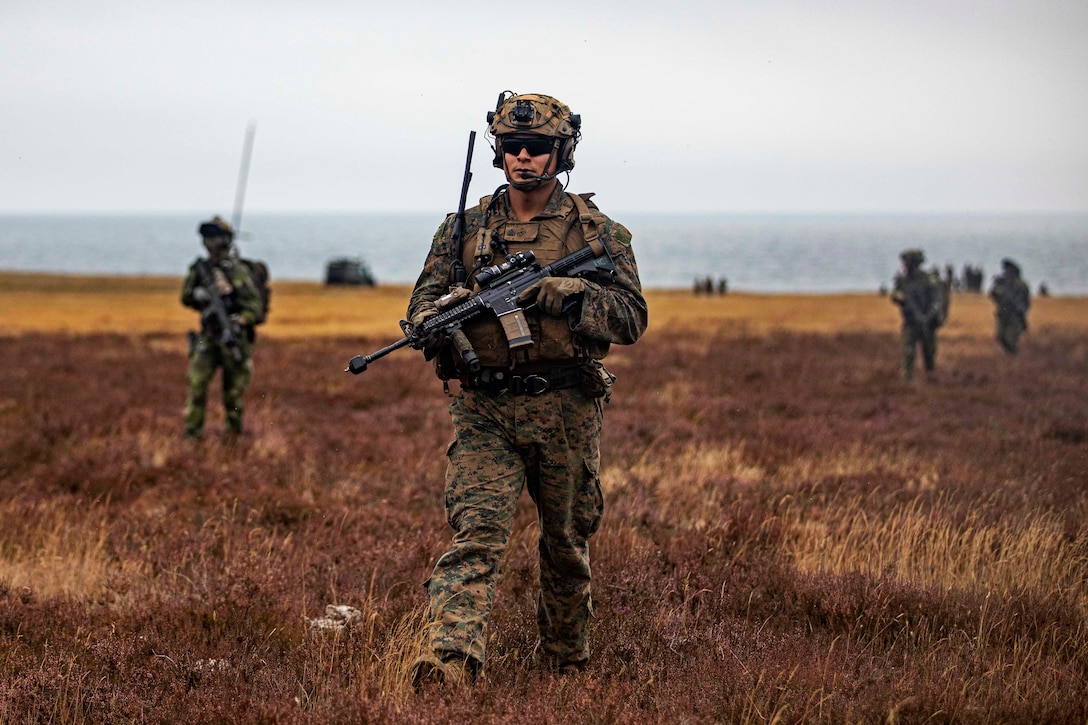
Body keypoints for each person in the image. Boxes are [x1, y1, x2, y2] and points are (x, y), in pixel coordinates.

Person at [405, 92, 647, 688]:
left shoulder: (599, 232)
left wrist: (577, 296)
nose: (523, 158)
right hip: (485, 406)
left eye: (537, 147)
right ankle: (450, 663)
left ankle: (565, 667)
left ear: (560, 153)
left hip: (565, 407)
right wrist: (445, 313)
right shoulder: (463, 228)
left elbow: (632, 318)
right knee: (477, 534)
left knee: (566, 544)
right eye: (513, 147)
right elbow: (417, 311)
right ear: (499, 153)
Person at [180, 216, 263, 439]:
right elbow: (186, 297)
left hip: (233, 339)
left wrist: (240, 319)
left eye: (215, 236)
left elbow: (255, 307)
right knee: (197, 385)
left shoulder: (238, 272)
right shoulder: (201, 269)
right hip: (208, 337)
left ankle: (233, 437)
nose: (210, 242)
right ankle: (192, 435)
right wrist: (200, 295)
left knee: (233, 394)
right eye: (208, 237)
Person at [890, 248, 943, 381]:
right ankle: (907, 380)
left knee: (929, 353)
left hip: (927, 323)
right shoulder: (903, 280)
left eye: (906, 263)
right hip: (910, 322)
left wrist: (929, 316)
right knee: (908, 351)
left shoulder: (928, 279)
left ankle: (931, 378)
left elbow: (937, 300)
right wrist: (899, 298)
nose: (903, 266)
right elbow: (895, 294)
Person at [989, 258, 1031, 354]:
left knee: (1010, 339)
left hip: (1015, 317)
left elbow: (1026, 303)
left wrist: (1020, 310)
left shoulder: (1021, 285)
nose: (1006, 273)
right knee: (999, 336)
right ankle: (1011, 356)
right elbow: (993, 295)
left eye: (1008, 271)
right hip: (1003, 315)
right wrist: (998, 293)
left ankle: (1014, 356)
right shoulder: (1002, 283)